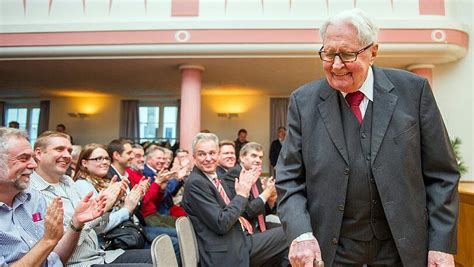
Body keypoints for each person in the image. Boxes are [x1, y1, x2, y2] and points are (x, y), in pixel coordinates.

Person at [275, 8, 460, 267]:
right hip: (331, 250)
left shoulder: (413, 92)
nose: (336, 65)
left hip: (403, 249)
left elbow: (442, 175)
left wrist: (441, 245)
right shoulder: (302, 102)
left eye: (347, 54)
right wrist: (301, 235)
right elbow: (288, 178)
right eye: (328, 54)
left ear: (372, 52)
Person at [30, 131, 154, 266]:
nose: (66, 155)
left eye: (69, 150)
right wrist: (119, 208)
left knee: (162, 254)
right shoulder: (32, 193)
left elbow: (98, 230)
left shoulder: (68, 183)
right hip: (79, 262)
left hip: (99, 254)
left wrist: (106, 209)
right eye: (59, 149)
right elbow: (56, 248)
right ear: (38, 154)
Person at [0, 127, 107, 266]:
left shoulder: (33, 198)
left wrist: (76, 224)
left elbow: (56, 260)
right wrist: (48, 241)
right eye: (23, 159)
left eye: (31, 158)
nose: (33, 164)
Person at [182, 133, 288, 267]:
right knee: (289, 232)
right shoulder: (196, 183)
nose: (208, 158)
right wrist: (242, 194)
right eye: (202, 154)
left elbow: (237, 210)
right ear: (194, 157)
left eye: (212, 153)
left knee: (288, 241)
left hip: (240, 237)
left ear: (217, 154)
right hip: (226, 250)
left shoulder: (216, 176)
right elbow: (222, 223)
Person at [224, 142, 279, 232]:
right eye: (254, 156)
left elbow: (262, 211)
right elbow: (247, 213)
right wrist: (266, 193)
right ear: (242, 157)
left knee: (290, 229)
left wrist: (271, 200)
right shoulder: (233, 176)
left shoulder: (254, 174)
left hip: (260, 226)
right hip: (246, 231)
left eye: (260, 157)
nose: (258, 160)